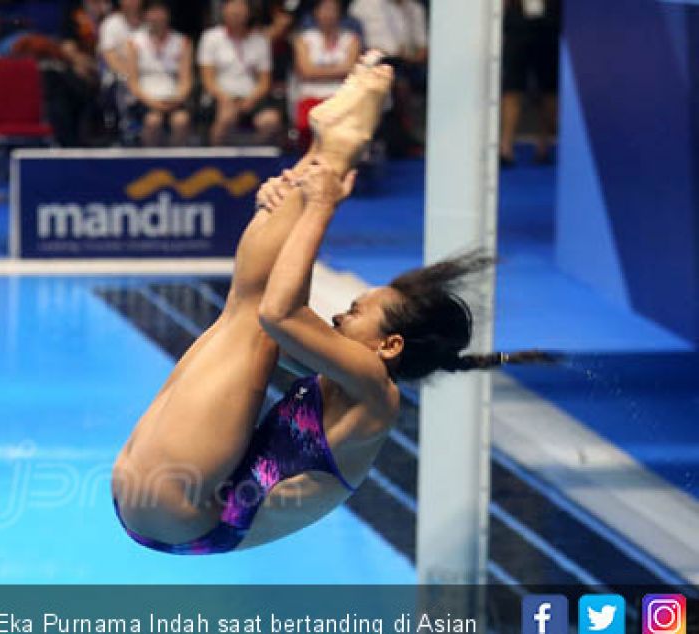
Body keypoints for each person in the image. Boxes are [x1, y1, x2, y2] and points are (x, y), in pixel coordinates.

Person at [111, 56, 552, 554]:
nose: (341, 315)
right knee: (246, 313)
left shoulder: (375, 392)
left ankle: (337, 147)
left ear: (390, 345)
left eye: (358, 312)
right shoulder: (349, 375)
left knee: (255, 320)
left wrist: (320, 204)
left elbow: (279, 313)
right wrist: (288, 195)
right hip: (169, 508)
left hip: (188, 515)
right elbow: (273, 295)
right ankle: (326, 148)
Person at [198, 0, 283, 146]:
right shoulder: (210, 38)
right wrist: (225, 99)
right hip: (220, 97)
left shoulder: (260, 40)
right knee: (227, 117)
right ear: (224, 11)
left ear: (249, 13)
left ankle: (250, 161)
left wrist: (251, 99)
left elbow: (264, 81)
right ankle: (217, 160)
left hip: (251, 97)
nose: (236, 12)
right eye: (232, 7)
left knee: (271, 120)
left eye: (240, 8)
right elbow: (208, 79)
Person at [348, 0, 427, 157]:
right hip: (371, 62)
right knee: (389, 79)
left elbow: (423, 47)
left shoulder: (415, 9)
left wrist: (410, 58)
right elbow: (353, 41)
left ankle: (410, 136)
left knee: (407, 81)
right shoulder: (362, 6)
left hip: (408, 64)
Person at [499, 0, 562, 166]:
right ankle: (505, 148)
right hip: (517, 27)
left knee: (549, 91)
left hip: (549, 27)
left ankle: (544, 146)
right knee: (511, 88)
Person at [292, 0, 360, 149]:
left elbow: (351, 70)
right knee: (311, 128)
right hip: (310, 98)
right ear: (316, 13)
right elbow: (306, 72)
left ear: (340, 13)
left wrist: (318, 71)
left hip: (342, 98)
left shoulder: (351, 39)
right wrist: (338, 69)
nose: (328, 14)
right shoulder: (304, 39)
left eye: (332, 10)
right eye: (324, 10)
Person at [125, 1, 193, 146]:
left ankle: (175, 164)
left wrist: (177, 99)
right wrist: (153, 102)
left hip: (173, 98)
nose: (156, 16)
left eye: (160, 12)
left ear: (168, 15)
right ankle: (149, 164)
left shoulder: (182, 41)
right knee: (153, 121)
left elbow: (186, 80)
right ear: (145, 15)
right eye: (152, 12)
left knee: (181, 120)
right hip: (145, 99)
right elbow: (133, 83)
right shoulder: (134, 42)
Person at [98, 0, 143, 85]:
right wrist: (133, 79)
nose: (132, 2)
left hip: (147, 76)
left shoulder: (149, 23)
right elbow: (110, 59)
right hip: (119, 80)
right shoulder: (110, 24)